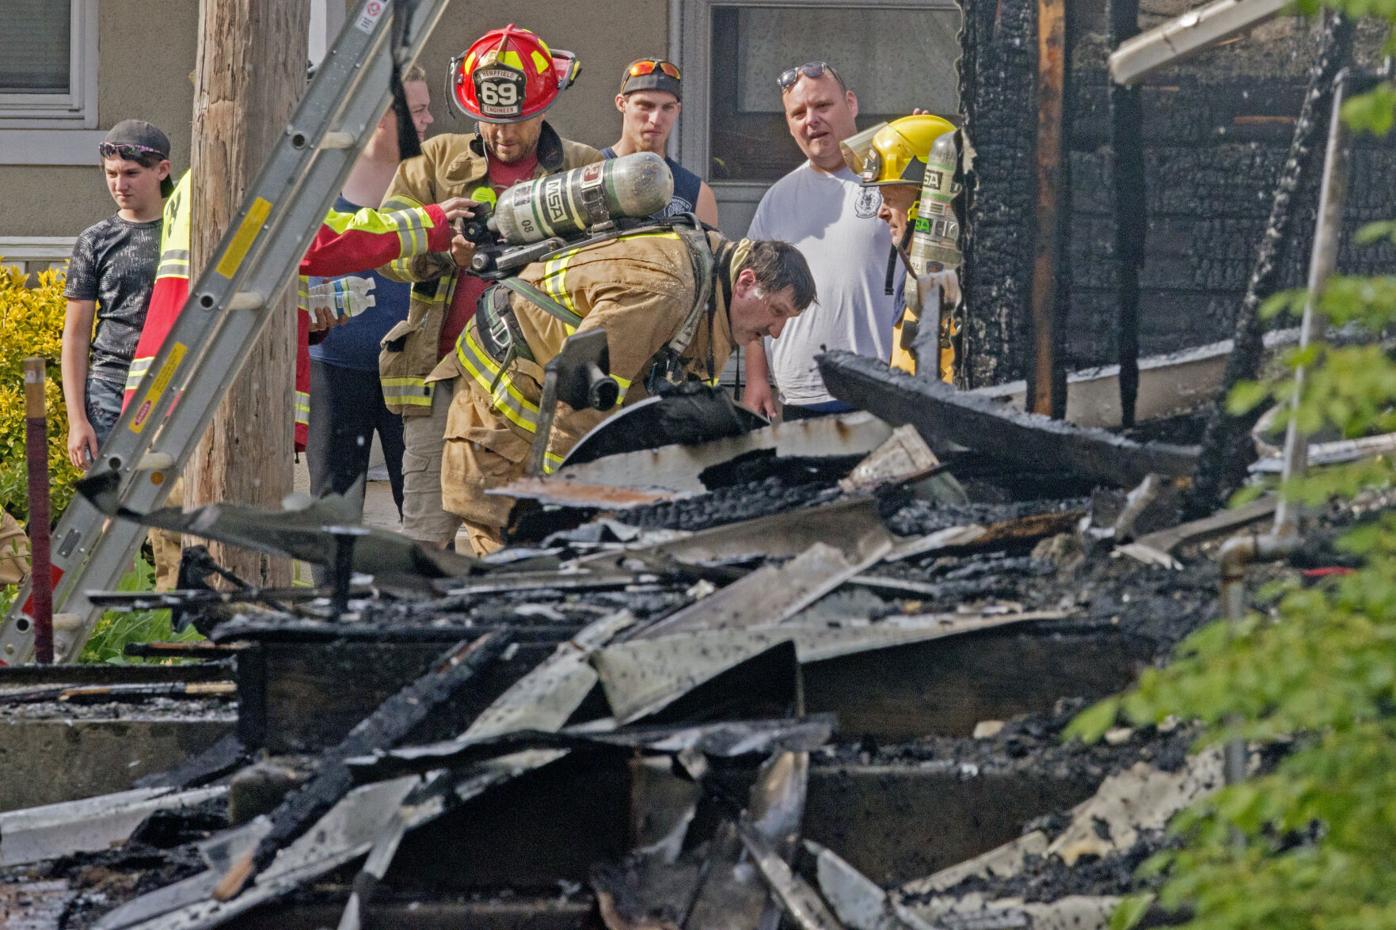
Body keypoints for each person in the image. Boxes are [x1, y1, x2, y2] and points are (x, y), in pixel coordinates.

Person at [439, 227, 816, 554]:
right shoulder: (665, 291)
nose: (777, 331)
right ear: (746, 282)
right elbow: (580, 400)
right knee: (525, 563)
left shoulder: (711, 289)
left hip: (551, 406)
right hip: (504, 417)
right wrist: (561, 507)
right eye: (777, 311)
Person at [378, 24, 601, 549]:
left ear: (544, 107)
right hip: (441, 379)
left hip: (536, 388)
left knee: (520, 540)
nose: (502, 134)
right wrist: (442, 252)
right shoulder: (434, 161)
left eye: (518, 120)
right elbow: (386, 248)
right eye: (489, 120)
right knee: (425, 542)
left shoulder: (585, 169)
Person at [306, 64, 434, 523]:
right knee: (332, 514)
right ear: (380, 116)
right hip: (334, 368)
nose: (429, 120)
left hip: (415, 368)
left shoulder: (430, 177)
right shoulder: (321, 178)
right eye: (417, 111)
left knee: (423, 510)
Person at [742, 62, 901, 421]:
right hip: (799, 397)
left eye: (823, 106)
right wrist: (756, 378)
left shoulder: (893, 182)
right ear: (789, 125)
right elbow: (752, 295)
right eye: (798, 113)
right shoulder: (777, 198)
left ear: (851, 103)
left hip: (881, 392)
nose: (811, 120)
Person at [62, 120, 173, 470]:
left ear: (162, 170)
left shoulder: (186, 231)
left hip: (171, 383)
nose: (119, 185)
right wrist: (77, 420)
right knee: (111, 500)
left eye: (131, 173)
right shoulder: (94, 240)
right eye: (111, 174)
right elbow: (75, 335)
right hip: (108, 388)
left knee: (173, 497)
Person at [857, 113, 962, 378]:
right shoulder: (919, 271)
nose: (881, 212)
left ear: (925, 201)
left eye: (890, 198)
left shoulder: (961, 280)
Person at [602, 58, 718, 226]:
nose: (656, 120)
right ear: (622, 104)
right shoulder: (587, 173)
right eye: (645, 106)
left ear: (677, 110)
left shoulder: (697, 194)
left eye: (667, 108)